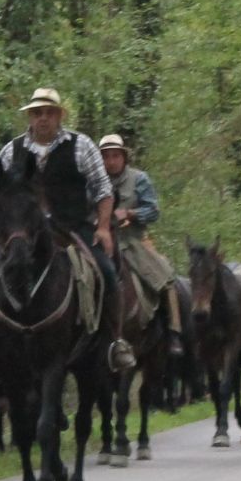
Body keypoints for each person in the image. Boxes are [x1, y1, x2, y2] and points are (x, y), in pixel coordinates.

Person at [0, 88, 137, 374]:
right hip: (22, 232)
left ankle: (115, 344)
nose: (44, 118)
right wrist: (5, 214)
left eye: (50, 112)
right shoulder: (12, 149)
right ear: (30, 116)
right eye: (38, 113)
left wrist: (103, 228)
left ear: (59, 115)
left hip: (70, 227)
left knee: (107, 272)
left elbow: (103, 189)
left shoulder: (81, 145)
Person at [98, 133, 184, 357]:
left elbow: (153, 210)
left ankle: (173, 331)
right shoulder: (94, 182)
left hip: (133, 241)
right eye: (106, 156)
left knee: (165, 278)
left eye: (115, 156)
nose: (111, 161)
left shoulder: (139, 179)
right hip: (100, 241)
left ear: (123, 157)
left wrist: (130, 213)